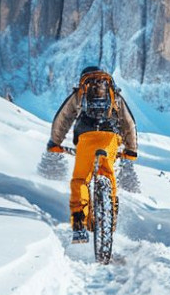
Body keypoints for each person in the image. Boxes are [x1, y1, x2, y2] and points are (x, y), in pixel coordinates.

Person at [47, 66, 139, 242]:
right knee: (108, 175)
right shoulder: (115, 95)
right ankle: (109, 221)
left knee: (80, 180)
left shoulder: (80, 94)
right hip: (110, 137)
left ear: (83, 80)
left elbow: (63, 118)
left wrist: (55, 143)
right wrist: (131, 150)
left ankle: (79, 225)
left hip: (86, 138)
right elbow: (129, 123)